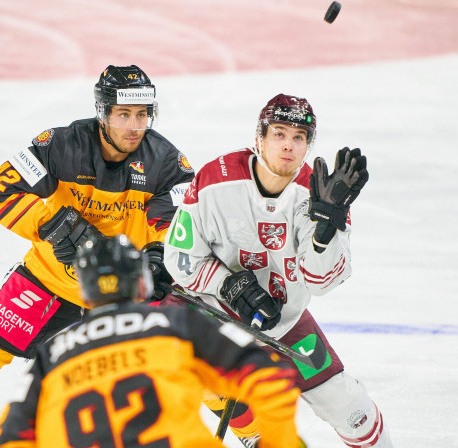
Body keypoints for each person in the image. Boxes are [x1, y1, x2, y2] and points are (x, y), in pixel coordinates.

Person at [0, 65, 195, 448]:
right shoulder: (59, 144)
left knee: (192, 359)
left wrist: (157, 260)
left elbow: (177, 226)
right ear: (103, 112)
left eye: (143, 114)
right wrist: (55, 224)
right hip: (53, 278)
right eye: (124, 114)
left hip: (126, 287)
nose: (135, 126)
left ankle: (253, 437)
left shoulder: (167, 161)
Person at [162, 93, 394, 448]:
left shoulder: (323, 197)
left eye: (298, 137)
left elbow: (321, 281)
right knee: (171, 359)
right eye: (279, 134)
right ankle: (255, 434)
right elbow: (180, 258)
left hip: (282, 321)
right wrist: (231, 288)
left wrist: (325, 231)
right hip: (210, 312)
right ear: (259, 139)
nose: (288, 145)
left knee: (349, 408)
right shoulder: (215, 179)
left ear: (308, 145)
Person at [0, 235, 306, 448]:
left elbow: (5, 439)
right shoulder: (177, 323)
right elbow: (272, 378)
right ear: (142, 282)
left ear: (83, 293)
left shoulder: (52, 353)